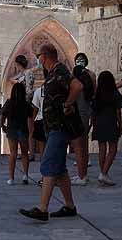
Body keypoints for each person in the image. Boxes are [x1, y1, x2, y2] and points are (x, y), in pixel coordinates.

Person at [19, 43, 83, 222]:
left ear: (45, 56)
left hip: (60, 126)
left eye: (38, 56)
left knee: (47, 164)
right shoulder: (53, 72)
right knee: (60, 169)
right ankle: (69, 206)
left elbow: (77, 86)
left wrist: (68, 103)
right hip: (54, 126)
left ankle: (42, 208)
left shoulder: (60, 70)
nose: (37, 60)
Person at [91, 70, 122, 186]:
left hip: (99, 123)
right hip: (111, 122)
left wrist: (92, 124)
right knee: (113, 149)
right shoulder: (115, 94)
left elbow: (93, 112)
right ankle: (104, 173)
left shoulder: (97, 95)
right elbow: (118, 111)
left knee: (102, 149)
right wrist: (120, 125)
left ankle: (103, 173)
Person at [70, 52, 96, 186]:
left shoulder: (77, 88)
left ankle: (81, 176)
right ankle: (84, 174)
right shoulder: (88, 89)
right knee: (84, 146)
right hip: (86, 117)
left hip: (78, 118)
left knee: (79, 147)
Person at [1, 82, 33, 185]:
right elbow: (30, 118)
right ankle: (25, 175)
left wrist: (2, 125)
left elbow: (2, 115)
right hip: (23, 130)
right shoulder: (26, 105)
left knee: (13, 153)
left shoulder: (9, 103)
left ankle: (11, 178)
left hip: (11, 129)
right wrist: (31, 131)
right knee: (24, 153)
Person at [29, 84, 46, 162]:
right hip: (54, 122)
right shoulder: (58, 89)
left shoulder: (39, 91)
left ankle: (43, 165)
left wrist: (32, 122)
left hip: (41, 120)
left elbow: (35, 108)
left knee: (42, 147)